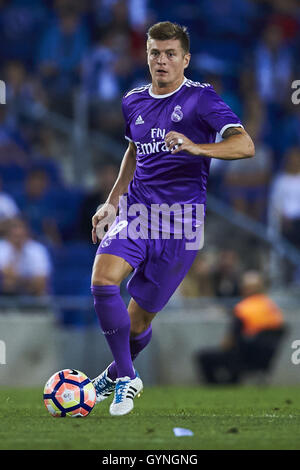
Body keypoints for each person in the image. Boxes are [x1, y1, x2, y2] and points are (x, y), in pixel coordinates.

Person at [90, 21, 255, 416]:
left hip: (181, 224)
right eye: (154, 53)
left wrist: (198, 148)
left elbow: (244, 145)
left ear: (185, 59)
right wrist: (112, 201)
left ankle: (115, 373)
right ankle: (128, 378)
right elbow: (133, 152)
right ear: (145, 55)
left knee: (137, 324)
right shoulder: (132, 100)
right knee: (102, 281)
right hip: (138, 212)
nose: (161, 61)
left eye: (169, 54)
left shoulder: (202, 99)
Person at [195, 271, 285, 385]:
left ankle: (216, 387)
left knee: (203, 356)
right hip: (264, 360)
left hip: (243, 357)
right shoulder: (272, 307)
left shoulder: (244, 308)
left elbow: (229, 341)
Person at [0, 217, 52, 296]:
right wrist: (16, 252)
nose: (18, 239)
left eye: (20, 235)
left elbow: (41, 282)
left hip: (34, 295)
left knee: (42, 293)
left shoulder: (37, 249)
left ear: (27, 232)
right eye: (15, 235)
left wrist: (16, 280)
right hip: (7, 295)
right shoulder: (2, 248)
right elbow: (5, 280)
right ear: (8, 234)